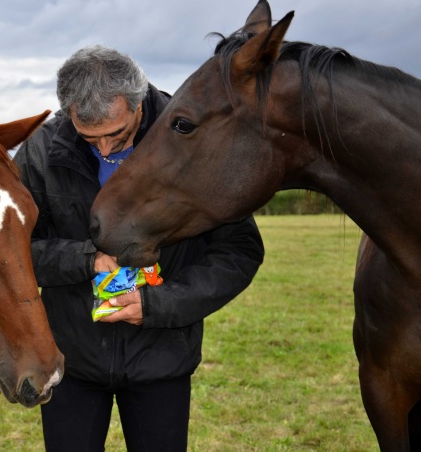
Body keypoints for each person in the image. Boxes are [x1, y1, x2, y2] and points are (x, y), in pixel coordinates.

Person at [13, 45, 264, 452]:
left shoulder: (190, 138)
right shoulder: (42, 151)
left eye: (118, 135)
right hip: (72, 361)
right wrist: (84, 259)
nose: (106, 149)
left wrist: (158, 305)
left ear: (138, 104)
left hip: (161, 359)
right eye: (89, 138)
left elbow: (240, 250)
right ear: (69, 111)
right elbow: (16, 251)